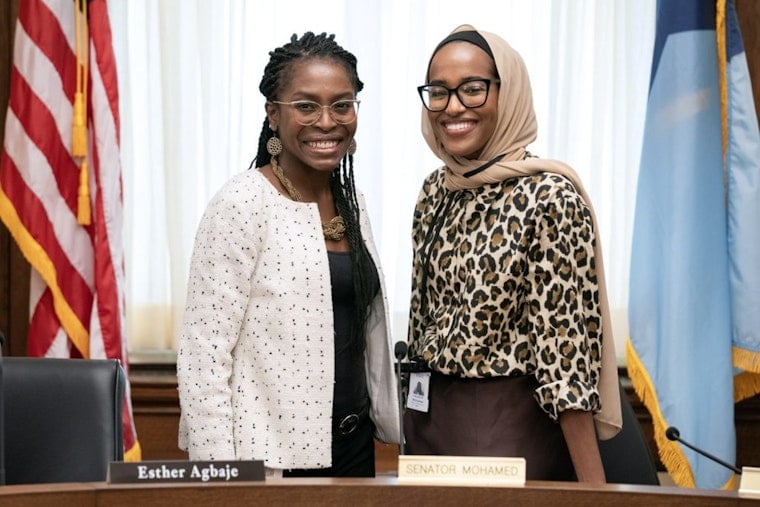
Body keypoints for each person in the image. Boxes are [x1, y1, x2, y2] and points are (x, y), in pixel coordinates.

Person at [404, 24, 622, 483]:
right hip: (426, 425)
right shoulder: (436, 191)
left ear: (509, 93)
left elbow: (566, 362)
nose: (453, 107)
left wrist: (596, 493)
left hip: (507, 436)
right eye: (439, 92)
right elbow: (422, 321)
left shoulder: (550, 197)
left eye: (473, 89)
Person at [176, 31, 399, 477]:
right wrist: (224, 477)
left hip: (355, 449)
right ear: (273, 115)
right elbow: (203, 358)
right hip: (269, 461)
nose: (327, 120)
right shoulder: (241, 203)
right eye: (306, 105)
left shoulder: (351, 201)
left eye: (342, 104)